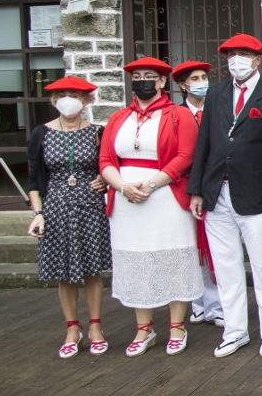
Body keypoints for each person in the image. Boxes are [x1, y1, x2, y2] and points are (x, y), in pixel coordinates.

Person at [188, 33, 262, 358]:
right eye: (231, 54)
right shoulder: (216, 93)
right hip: (216, 192)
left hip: (257, 195)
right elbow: (203, 143)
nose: (236, 60)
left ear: (257, 60)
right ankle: (235, 331)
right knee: (226, 266)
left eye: (243, 54)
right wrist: (196, 189)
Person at [99, 57, 202, 356]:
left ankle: (177, 326)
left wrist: (153, 184)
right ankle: (144, 328)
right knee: (136, 261)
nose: (142, 80)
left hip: (166, 196)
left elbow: (186, 155)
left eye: (149, 76)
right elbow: (105, 159)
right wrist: (122, 187)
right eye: (137, 76)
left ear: (161, 82)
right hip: (126, 200)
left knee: (173, 259)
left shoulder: (178, 115)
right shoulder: (118, 118)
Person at [26, 77, 110, 358]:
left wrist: (104, 180)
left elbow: (108, 166)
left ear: (86, 101)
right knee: (63, 272)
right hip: (56, 207)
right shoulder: (42, 133)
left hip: (90, 206)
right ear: (53, 101)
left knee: (92, 270)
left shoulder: (97, 132)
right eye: (62, 95)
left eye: (75, 95)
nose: (68, 99)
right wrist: (38, 213)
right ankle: (72, 328)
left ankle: (95, 326)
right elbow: (35, 178)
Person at [172, 60, 224, 328]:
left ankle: (216, 304)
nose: (201, 83)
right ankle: (197, 302)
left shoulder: (217, 110)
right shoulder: (175, 114)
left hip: (213, 186)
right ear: (183, 85)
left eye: (204, 77)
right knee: (189, 247)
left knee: (214, 247)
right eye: (195, 79)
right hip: (184, 187)